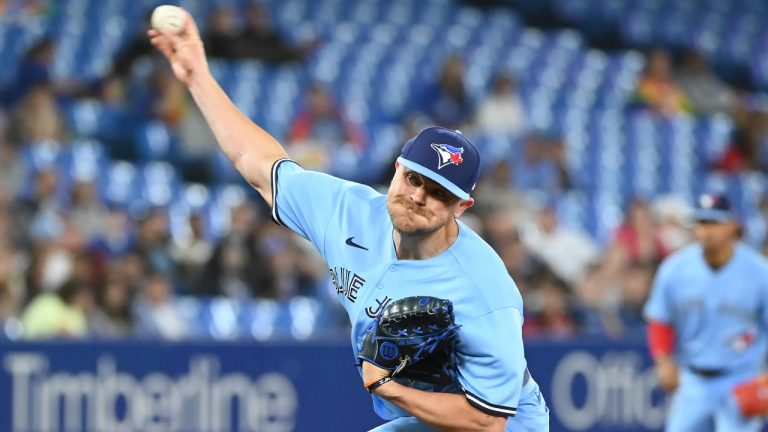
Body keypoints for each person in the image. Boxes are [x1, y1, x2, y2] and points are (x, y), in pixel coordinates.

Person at [148, 10, 549, 431]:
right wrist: (197, 77)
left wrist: (390, 388)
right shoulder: (349, 213)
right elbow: (259, 163)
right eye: (412, 178)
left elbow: (487, 421)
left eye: (437, 193)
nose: (417, 196)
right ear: (396, 169)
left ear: (461, 207)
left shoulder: (484, 289)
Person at [643, 193, 768, 431]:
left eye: (714, 223)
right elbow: (659, 318)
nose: (707, 231)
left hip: (741, 377)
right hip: (693, 380)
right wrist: (662, 360)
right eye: (701, 223)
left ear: (733, 225)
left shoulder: (759, 273)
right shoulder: (675, 269)